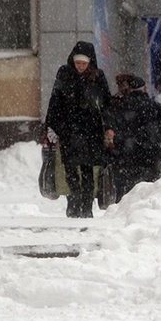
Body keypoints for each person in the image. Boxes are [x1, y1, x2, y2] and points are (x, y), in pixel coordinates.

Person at [45, 41, 112, 218]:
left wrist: (109, 126)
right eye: (77, 63)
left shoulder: (97, 76)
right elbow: (55, 101)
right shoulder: (65, 74)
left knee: (88, 169)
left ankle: (87, 205)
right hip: (69, 129)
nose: (80, 67)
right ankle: (74, 203)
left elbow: (107, 103)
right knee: (71, 168)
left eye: (83, 64)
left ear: (90, 62)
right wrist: (51, 127)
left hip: (91, 130)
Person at [108, 76, 161, 202]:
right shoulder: (156, 107)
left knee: (126, 193)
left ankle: (124, 211)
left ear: (129, 89)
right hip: (152, 154)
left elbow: (117, 132)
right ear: (145, 88)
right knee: (151, 192)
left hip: (128, 155)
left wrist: (116, 152)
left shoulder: (120, 108)